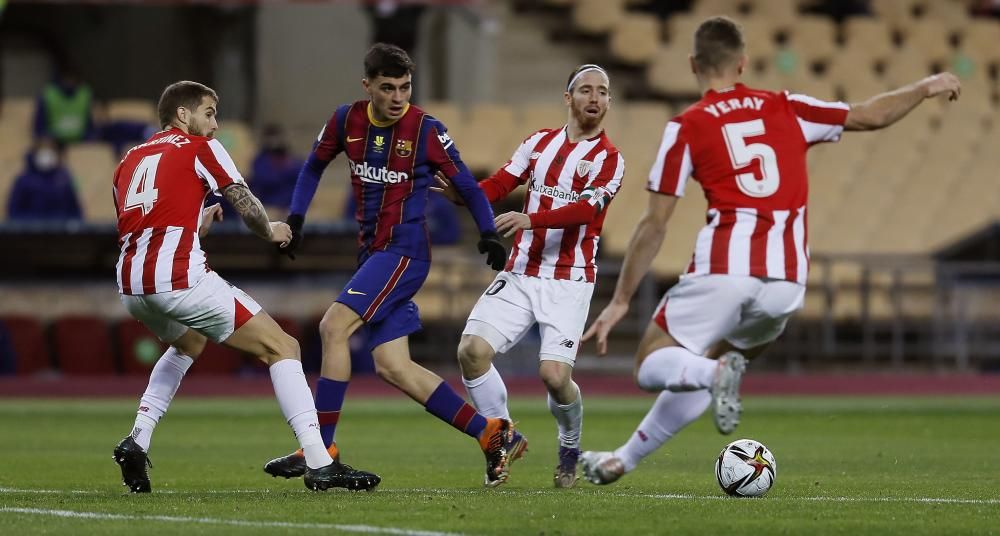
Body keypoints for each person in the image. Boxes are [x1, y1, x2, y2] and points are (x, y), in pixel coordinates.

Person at [579, 16, 961, 485]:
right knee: (708, 364)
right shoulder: (789, 107)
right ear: (742, 63)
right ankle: (623, 459)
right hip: (786, 281)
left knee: (654, 363)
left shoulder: (687, 127)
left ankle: (713, 375)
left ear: (693, 65)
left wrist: (620, 300)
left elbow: (655, 223)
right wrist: (925, 86)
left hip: (725, 266)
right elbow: (871, 114)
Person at [262, 43, 516, 487]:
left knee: (333, 327)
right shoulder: (346, 119)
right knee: (393, 366)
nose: (399, 97)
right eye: (388, 88)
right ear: (368, 87)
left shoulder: (426, 130)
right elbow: (312, 167)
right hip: (373, 253)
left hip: (405, 252)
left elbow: (470, 188)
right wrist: (297, 219)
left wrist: (488, 231)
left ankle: (321, 446)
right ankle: (490, 432)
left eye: (405, 87)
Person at [111, 80, 381, 493]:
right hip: (180, 280)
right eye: (209, 113)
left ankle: (137, 439)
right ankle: (319, 461)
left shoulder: (128, 160)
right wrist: (270, 230)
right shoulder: (201, 148)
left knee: (190, 344)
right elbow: (242, 198)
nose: (215, 125)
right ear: (183, 115)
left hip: (132, 287)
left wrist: (195, 225)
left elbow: (145, 226)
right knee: (283, 347)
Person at [434, 64, 624, 488]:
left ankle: (570, 443)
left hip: (570, 279)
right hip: (522, 271)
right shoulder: (538, 142)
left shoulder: (610, 160)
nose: (595, 98)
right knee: (471, 351)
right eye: (587, 90)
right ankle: (501, 434)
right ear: (568, 98)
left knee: (555, 378)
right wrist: (465, 196)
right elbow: (502, 182)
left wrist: (530, 219)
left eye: (603, 92)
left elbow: (585, 211)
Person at [6, 138, 82, 221]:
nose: (46, 156)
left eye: (50, 152)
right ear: (35, 155)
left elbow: (75, 209)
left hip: (60, 229)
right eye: (42, 152)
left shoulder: (65, 179)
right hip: (30, 230)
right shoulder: (23, 180)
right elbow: (13, 211)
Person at [33, 62, 96, 145]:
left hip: (81, 143)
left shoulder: (85, 93)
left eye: (72, 77)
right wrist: (46, 138)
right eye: (66, 77)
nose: (69, 81)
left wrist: (90, 138)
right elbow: (39, 127)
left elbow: (91, 125)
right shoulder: (48, 94)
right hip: (55, 144)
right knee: (45, 154)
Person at [248, 124, 303, 219]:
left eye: (278, 138)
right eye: (271, 139)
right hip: (268, 205)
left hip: (289, 205)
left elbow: (301, 182)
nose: (275, 142)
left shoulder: (293, 161)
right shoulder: (261, 161)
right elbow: (263, 181)